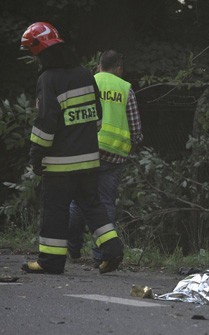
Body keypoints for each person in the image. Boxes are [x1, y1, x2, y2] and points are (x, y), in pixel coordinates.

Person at [19, 22, 123, 274]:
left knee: (54, 210)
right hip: (89, 161)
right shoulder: (84, 74)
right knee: (92, 206)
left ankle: (51, 262)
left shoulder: (47, 79)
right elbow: (97, 117)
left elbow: (46, 123)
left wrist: (36, 154)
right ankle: (113, 251)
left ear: (40, 50)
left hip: (60, 164)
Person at [68, 50, 143, 266]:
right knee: (106, 203)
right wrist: (132, 145)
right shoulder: (125, 88)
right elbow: (136, 127)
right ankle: (101, 255)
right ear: (118, 67)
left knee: (77, 202)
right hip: (115, 155)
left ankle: (72, 249)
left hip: (86, 150)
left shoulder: (88, 82)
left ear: (99, 65)